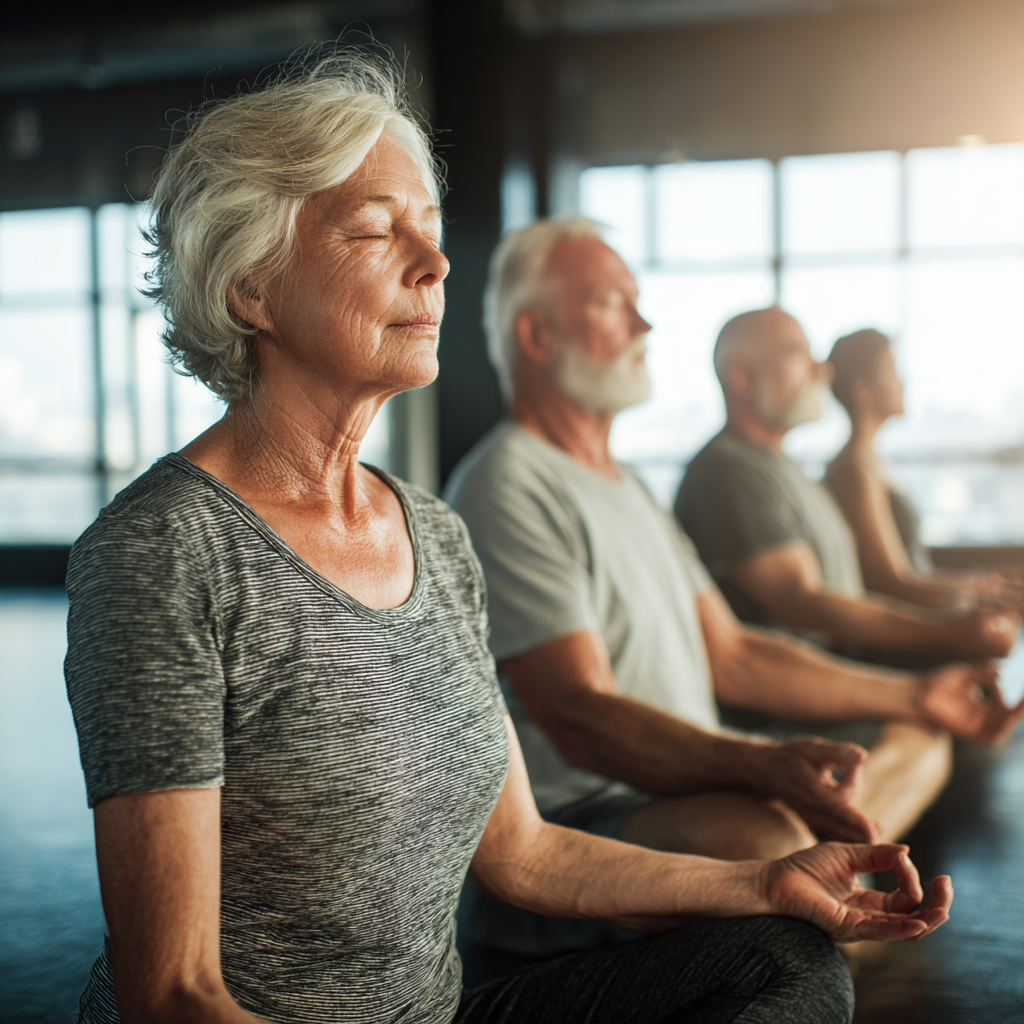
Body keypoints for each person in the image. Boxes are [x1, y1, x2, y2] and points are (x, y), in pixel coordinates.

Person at [60, 54, 950, 1024]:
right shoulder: (161, 554)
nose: (436, 264)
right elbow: (172, 996)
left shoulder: (432, 533)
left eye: (431, 234)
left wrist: (767, 883)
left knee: (783, 956)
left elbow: (523, 851)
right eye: (374, 231)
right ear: (250, 288)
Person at [444, 217, 1013, 964]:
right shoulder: (506, 483)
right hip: (588, 817)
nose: (644, 322)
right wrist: (755, 766)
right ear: (537, 336)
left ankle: (812, 901)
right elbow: (581, 717)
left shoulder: (630, 487)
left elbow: (736, 654)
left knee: (915, 744)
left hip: (684, 785)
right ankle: (810, 902)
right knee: (768, 838)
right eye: (614, 302)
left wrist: (913, 696)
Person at [676, 307, 1021, 666]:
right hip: (805, 701)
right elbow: (803, 600)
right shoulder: (729, 471)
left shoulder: (786, 469)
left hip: (843, 674)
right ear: (743, 377)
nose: (822, 369)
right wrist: (946, 628)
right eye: (798, 354)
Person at [825, 328, 1024, 612]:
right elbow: (891, 583)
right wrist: (989, 600)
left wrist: (982, 584)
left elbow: (915, 570)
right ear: (863, 390)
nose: (903, 382)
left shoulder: (872, 463)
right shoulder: (855, 471)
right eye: (892, 371)